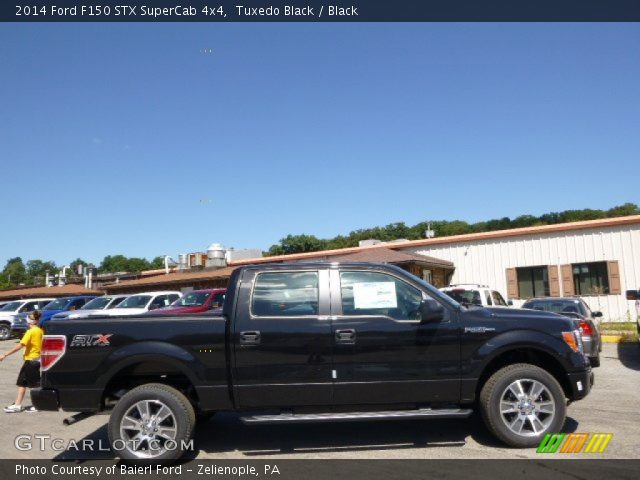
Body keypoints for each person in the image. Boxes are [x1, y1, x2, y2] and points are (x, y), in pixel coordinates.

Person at [0, 310, 44, 413]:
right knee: (22, 383)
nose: (28, 319)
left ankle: (38, 405)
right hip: (33, 360)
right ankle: (17, 405)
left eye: (30, 318)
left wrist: (5, 354)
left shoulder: (31, 331)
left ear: (32, 321)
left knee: (35, 385)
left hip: (32, 361)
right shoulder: (40, 330)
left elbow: (20, 345)